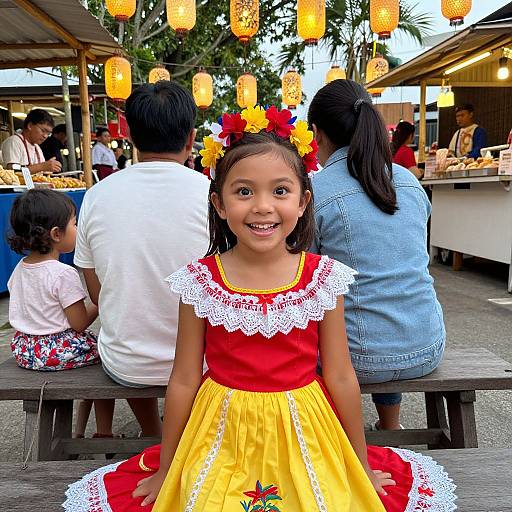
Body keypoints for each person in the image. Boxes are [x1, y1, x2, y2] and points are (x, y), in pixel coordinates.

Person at [63, 106, 456, 512]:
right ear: (218, 203)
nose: (262, 206)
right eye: (244, 191)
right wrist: (168, 467)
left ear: (304, 201)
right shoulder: (199, 281)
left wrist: (359, 463)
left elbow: (340, 374)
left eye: (280, 191)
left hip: (305, 426)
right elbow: (182, 380)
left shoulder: (323, 278)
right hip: (220, 429)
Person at [74, 81, 210, 438]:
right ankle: (179, 433)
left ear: (130, 134)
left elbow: (96, 290)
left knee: (127, 324)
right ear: (190, 136)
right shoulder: (213, 194)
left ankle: (153, 429)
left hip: (126, 361)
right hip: (205, 363)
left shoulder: (97, 196)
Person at [308, 80, 446, 431]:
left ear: (318, 134)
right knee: (384, 296)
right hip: (427, 344)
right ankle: (390, 424)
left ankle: (335, 430)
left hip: (358, 357)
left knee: (329, 317)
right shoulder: (407, 181)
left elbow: (303, 272)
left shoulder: (315, 190)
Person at [7, 189, 113, 437]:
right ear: (56, 234)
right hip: (55, 352)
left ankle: (79, 432)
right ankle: (104, 432)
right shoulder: (61, 273)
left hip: (26, 349)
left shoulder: (20, 269)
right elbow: (78, 323)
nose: (78, 229)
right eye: (74, 224)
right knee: (110, 355)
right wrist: (101, 298)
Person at [1, 109, 62, 174]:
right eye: (43, 131)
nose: (45, 136)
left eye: (48, 133)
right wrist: (42, 166)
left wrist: (48, 169)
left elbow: (41, 172)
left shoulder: (37, 147)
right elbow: (13, 170)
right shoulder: (14, 142)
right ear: (30, 126)